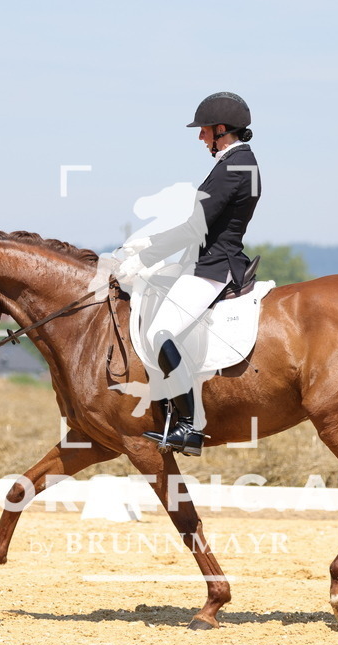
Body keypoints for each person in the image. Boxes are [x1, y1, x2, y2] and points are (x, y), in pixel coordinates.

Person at [116, 91, 261, 456]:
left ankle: (189, 426)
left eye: (205, 131)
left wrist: (147, 252)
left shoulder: (235, 166)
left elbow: (197, 227)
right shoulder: (236, 163)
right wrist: (149, 246)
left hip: (215, 265)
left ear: (222, 130)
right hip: (201, 260)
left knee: (162, 332)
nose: (200, 138)